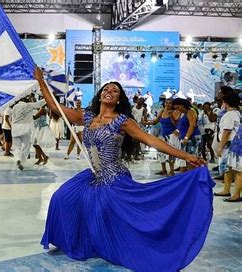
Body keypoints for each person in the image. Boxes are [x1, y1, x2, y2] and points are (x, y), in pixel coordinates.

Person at [35, 67, 213, 272]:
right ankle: (78, 239)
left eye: (115, 90)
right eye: (106, 88)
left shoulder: (122, 121)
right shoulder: (86, 117)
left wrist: (186, 155)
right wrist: (41, 81)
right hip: (93, 176)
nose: (109, 90)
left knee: (115, 212)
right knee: (60, 198)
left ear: (119, 99)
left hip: (113, 178)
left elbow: (151, 140)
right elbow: (54, 106)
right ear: (101, 94)